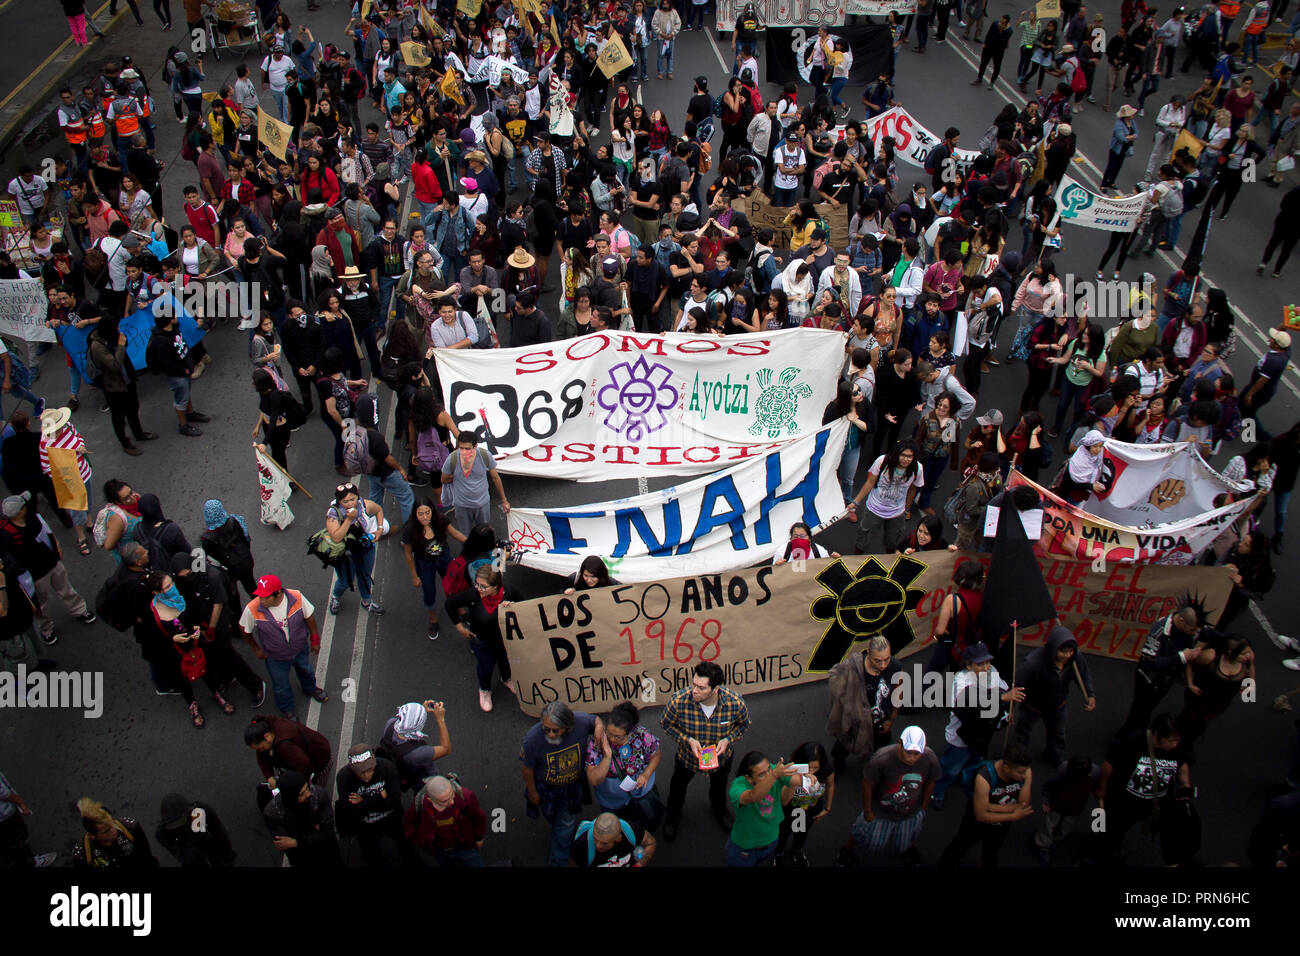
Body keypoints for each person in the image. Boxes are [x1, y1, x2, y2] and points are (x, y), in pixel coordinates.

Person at [661, 660, 751, 842]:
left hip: (721, 759)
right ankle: (672, 817)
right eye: (694, 684)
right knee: (677, 790)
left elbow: (743, 725)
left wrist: (728, 739)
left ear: (716, 689)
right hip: (687, 758)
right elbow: (666, 724)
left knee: (719, 788)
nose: (694, 690)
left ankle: (719, 810)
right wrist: (688, 740)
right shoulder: (678, 701)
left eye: (701, 688)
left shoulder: (735, 703)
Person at [1089, 713, 1193, 864]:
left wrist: (1184, 784)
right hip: (1123, 800)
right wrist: (1102, 788)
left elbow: (1182, 764)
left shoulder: (1177, 747)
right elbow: (1109, 764)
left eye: (1177, 740)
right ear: (1157, 735)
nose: (1175, 744)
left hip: (1150, 803)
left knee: (1124, 826)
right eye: (1171, 741)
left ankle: (1113, 844)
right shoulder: (1132, 741)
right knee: (1109, 825)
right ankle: (1094, 850)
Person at [0, 491, 95, 647]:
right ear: (19, 511)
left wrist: (56, 545)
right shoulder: (6, 536)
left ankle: (80, 610)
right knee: (41, 604)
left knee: (66, 590)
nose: (27, 506)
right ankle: (46, 630)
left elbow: (47, 531)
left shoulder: (33, 519)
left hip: (52, 563)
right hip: (35, 576)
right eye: (23, 505)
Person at [520, 701, 601, 867]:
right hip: (546, 790)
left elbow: (596, 720)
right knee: (553, 818)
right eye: (546, 729)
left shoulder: (581, 721)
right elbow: (527, 769)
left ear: (568, 726)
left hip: (571, 789)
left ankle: (559, 861)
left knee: (565, 825)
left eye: (555, 730)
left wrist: (599, 729)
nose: (550, 734)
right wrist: (533, 791)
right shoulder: (532, 739)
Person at [238, 573, 327, 720]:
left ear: (278, 594)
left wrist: (315, 639)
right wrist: (256, 649)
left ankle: (310, 688)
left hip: (299, 649)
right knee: (280, 685)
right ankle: (287, 708)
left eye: (265, 597)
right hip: (275, 657)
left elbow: (308, 617)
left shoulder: (296, 597)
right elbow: (244, 629)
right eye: (259, 596)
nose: (261, 600)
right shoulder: (253, 608)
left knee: (306, 670)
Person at [1118, 601, 1209, 735]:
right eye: (1192, 630)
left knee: (1147, 710)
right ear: (1182, 621)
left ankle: (1136, 733)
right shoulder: (1159, 631)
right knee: (1139, 712)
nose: (1195, 633)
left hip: (1165, 680)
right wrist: (1180, 657)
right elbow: (1147, 662)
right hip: (1148, 680)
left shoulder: (1192, 628)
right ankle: (1126, 738)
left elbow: (1210, 635)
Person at [937, 742, 1034, 867]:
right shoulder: (984, 778)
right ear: (1006, 768)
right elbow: (981, 815)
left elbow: (1023, 804)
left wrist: (1027, 782)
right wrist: (1012, 815)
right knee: (960, 846)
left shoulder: (1025, 772)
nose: (1024, 775)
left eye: (1026, 771)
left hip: (1000, 825)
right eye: (1021, 772)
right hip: (975, 824)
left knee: (991, 852)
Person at [853, 726, 940, 865]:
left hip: (911, 813)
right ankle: (849, 852)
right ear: (900, 743)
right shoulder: (881, 759)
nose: (912, 758)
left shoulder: (930, 758)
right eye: (908, 752)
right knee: (864, 837)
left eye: (917, 754)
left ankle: (908, 851)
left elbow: (931, 781)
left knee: (906, 841)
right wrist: (868, 810)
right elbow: (867, 784)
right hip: (881, 812)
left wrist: (923, 807)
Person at [1013, 625, 1097, 765]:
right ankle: (1017, 759)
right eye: (1063, 652)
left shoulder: (1075, 659)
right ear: (1053, 648)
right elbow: (1017, 686)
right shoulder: (1032, 663)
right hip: (1032, 706)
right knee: (1022, 733)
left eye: (1071, 651)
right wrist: (1010, 708)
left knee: (1058, 735)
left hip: (1058, 705)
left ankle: (1054, 758)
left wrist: (1090, 694)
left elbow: (1084, 676)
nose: (1067, 655)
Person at [825, 635, 902, 778]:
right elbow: (836, 682)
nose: (883, 665)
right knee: (844, 744)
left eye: (887, 659)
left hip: (880, 721)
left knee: (879, 751)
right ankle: (838, 763)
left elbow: (898, 691)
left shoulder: (895, 667)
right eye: (877, 661)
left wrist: (891, 719)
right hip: (855, 719)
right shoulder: (853, 668)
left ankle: (874, 770)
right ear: (868, 654)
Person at [585, 701, 664, 833]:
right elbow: (594, 779)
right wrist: (607, 757)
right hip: (611, 801)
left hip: (639, 793)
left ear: (630, 732)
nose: (612, 739)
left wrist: (646, 774)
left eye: (618, 737)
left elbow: (656, 754)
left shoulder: (642, 736)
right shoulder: (597, 743)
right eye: (609, 733)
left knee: (640, 826)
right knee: (612, 831)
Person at [446, 565, 516, 712]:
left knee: (505, 660)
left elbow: (524, 604)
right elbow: (450, 604)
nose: (479, 589)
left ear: (496, 586)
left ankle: (506, 678)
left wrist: (513, 606)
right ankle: (484, 690)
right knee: (486, 667)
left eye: (484, 586)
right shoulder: (473, 595)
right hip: (481, 640)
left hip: (504, 638)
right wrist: (459, 627)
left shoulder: (509, 592)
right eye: (477, 584)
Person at [335, 743, 410, 867]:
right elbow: (351, 810)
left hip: (392, 819)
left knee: (405, 844)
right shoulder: (344, 778)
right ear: (352, 768)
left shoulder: (387, 768)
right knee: (371, 855)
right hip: (365, 826)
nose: (367, 775)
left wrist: (363, 802)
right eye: (361, 772)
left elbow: (395, 801)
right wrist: (380, 796)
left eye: (370, 769)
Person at [850, 440, 925, 554]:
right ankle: (855, 560)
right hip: (874, 509)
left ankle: (889, 562)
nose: (906, 459)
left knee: (892, 541)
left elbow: (913, 489)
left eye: (910, 456)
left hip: (897, 512)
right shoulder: (882, 461)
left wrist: (906, 509)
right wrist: (855, 502)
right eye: (903, 455)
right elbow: (870, 482)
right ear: (896, 453)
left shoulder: (918, 468)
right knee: (863, 539)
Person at [726, 751, 799, 867]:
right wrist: (774, 775)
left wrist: (807, 778)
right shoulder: (737, 787)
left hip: (771, 840)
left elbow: (785, 799)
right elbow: (753, 796)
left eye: (769, 768)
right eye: (761, 774)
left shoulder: (773, 771)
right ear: (749, 779)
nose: (768, 773)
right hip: (745, 849)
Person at [324, 483, 386, 616]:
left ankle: (367, 601)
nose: (350, 504)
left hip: (365, 547)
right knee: (346, 580)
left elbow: (378, 509)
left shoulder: (363, 504)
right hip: (345, 553)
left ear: (357, 497)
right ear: (339, 501)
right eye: (345, 501)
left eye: (352, 499)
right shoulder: (333, 513)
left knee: (365, 576)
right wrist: (349, 520)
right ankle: (336, 596)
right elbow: (336, 537)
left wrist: (380, 529)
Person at [36, 407, 93, 555]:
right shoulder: (45, 444)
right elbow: (47, 467)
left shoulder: (68, 427)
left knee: (88, 500)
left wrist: (81, 446)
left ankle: (89, 522)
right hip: (70, 481)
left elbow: (78, 437)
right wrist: (63, 475)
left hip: (84, 472)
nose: (61, 429)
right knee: (76, 508)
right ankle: (81, 537)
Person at [145, 311, 210, 437]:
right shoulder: (160, 342)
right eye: (173, 316)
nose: (176, 317)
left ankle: (190, 413)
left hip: (185, 369)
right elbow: (168, 364)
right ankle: (183, 425)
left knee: (186, 394)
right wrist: (183, 371)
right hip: (178, 376)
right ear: (169, 320)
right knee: (181, 400)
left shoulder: (173, 329)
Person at [261, 769, 343, 867]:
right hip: (302, 858)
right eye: (302, 794)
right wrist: (315, 830)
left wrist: (296, 841)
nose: (308, 794)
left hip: (327, 850)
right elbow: (284, 844)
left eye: (307, 788)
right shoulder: (273, 813)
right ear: (290, 797)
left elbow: (328, 831)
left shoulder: (318, 795)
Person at [403, 774, 488, 867]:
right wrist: (423, 842)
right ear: (431, 800)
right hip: (441, 851)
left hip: (465, 845)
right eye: (444, 801)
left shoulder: (465, 797)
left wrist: (479, 838)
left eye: (451, 794)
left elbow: (479, 817)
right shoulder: (420, 804)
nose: (451, 801)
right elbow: (408, 825)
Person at [440, 432, 509, 537]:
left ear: (475, 446)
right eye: (461, 448)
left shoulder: (485, 455)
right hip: (462, 505)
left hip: (482, 504)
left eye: (467, 449)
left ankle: (484, 551)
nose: (463, 452)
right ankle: (468, 552)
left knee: (484, 532)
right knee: (465, 535)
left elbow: (496, 478)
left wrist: (504, 500)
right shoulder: (452, 458)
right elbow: (444, 479)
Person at [1034, 754, 1100, 864]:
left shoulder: (1096, 773)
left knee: (1066, 826)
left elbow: (1097, 788)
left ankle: (1056, 837)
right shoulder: (1063, 769)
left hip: (1076, 807)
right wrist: (1046, 801)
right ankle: (1042, 845)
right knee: (1049, 824)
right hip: (1057, 804)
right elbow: (1049, 785)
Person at [378, 700, 452, 792]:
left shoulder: (391, 724)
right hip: (420, 779)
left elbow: (408, 722)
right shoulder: (418, 753)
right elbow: (446, 749)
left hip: (398, 766)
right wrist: (440, 720)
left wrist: (420, 711)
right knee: (424, 790)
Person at [71, 797, 158, 868]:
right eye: (106, 831)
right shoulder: (83, 856)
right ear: (93, 835)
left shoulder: (131, 829)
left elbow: (147, 859)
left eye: (113, 824)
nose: (113, 831)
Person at [154, 793, 236, 867]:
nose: (176, 826)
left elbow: (220, 836)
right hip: (191, 851)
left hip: (210, 843)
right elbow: (183, 857)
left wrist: (227, 856)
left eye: (179, 821)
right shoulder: (162, 834)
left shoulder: (200, 813)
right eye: (172, 824)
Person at [0, 770, 57, 866]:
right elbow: (2, 792)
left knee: (4, 846)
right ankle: (29, 863)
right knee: (18, 840)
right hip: (5, 816)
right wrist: (19, 801)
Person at [570, 811, 656, 868]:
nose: (598, 846)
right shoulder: (581, 846)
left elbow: (650, 843)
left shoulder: (630, 831)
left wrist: (639, 864)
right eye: (595, 839)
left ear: (619, 838)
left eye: (604, 843)